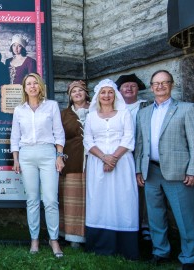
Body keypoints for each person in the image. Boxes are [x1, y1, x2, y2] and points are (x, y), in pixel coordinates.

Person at [135, 70, 194, 270]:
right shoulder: (144, 112)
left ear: (172, 85)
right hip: (151, 171)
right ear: (151, 86)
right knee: (155, 216)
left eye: (164, 82)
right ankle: (160, 252)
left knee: (185, 217)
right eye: (156, 83)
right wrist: (139, 170)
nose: (160, 86)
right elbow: (140, 144)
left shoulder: (186, 109)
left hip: (179, 173)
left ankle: (189, 258)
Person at [83, 79, 139, 260]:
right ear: (98, 96)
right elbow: (88, 140)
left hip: (122, 163)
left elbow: (129, 137)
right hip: (97, 162)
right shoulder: (91, 116)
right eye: (103, 92)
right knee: (99, 199)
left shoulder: (124, 114)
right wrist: (104, 157)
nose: (106, 96)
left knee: (123, 198)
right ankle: (100, 244)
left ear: (115, 95)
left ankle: (126, 246)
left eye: (110, 92)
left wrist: (113, 158)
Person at [10, 73, 65, 257]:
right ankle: (34, 239)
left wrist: (59, 156)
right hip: (26, 155)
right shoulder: (19, 110)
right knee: (32, 200)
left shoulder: (51, 106)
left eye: (35, 83)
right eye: (28, 84)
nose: (32, 86)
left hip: (48, 153)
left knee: (50, 199)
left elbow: (59, 133)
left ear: (40, 86)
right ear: (24, 88)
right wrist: (16, 159)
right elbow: (15, 137)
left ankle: (54, 239)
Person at [115, 73, 150, 241]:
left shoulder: (146, 106)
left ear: (138, 89)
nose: (129, 88)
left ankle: (145, 226)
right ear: (119, 91)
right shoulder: (115, 109)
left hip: (141, 154)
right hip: (121, 155)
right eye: (125, 86)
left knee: (143, 191)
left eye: (132, 86)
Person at [59, 80, 90, 248]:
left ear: (86, 92)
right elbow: (58, 138)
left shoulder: (97, 110)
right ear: (70, 96)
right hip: (72, 161)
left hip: (95, 161)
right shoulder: (64, 114)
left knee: (93, 199)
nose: (77, 93)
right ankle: (73, 237)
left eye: (80, 90)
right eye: (73, 92)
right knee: (73, 199)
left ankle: (93, 233)